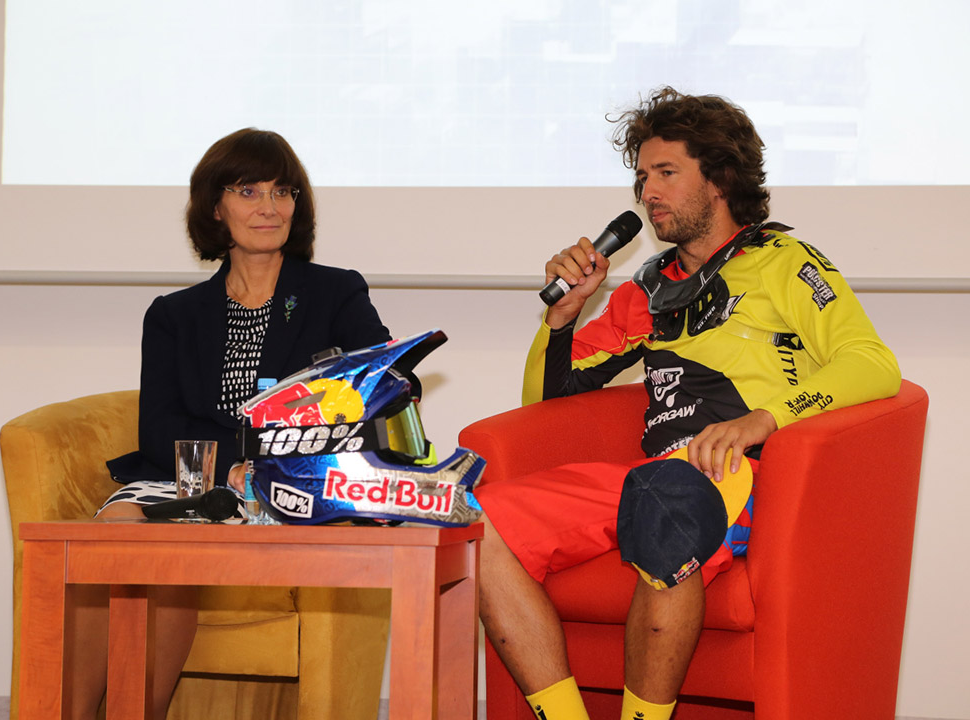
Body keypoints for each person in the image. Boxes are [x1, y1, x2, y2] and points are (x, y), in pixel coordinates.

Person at [475, 87, 901, 720]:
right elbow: (544, 405)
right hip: (652, 477)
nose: (647, 192)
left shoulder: (783, 262)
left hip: (742, 475)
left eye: (666, 173)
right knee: (473, 520)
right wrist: (561, 320)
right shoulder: (645, 292)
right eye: (642, 177)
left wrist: (763, 420)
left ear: (720, 179)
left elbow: (873, 363)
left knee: (664, 502)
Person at [68, 128, 391, 720]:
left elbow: (382, 386)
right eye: (248, 191)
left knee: (168, 549)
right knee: (112, 535)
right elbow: (158, 428)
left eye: (282, 191)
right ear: (215, 207)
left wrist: (272, 457)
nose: (269, 207)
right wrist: (232, 463)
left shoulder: (335, 293)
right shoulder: (174, 314)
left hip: (290, 483)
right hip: (194, 479)